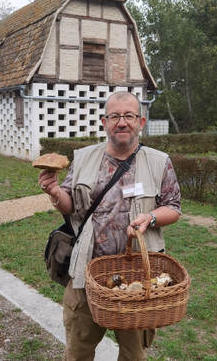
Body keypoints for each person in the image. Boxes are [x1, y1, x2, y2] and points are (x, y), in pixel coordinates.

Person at [38, 91, 181, 360]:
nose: (122, 122)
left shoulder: (159, 161)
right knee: (78, 351)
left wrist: (149, 218)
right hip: (87, 275)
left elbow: (173, 207)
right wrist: (55, 193)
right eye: (115, 116)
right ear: (104, 122)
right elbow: (69, 205)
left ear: (141, 121)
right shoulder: (82, 158)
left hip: (138, 278)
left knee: (133, 355)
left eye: (129, 116)